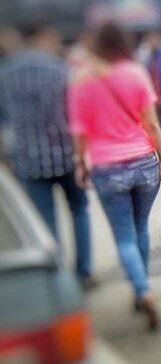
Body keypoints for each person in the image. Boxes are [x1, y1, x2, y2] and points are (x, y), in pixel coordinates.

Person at [68, 22, 161, 329]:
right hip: (144, 162)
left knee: (125, 236)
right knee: (140, 229)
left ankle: (143, 290)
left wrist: (81, 164)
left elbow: (79, 133)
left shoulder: (81, 81)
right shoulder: (135, 73)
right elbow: (152, 124)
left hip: (108, 168)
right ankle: (142, 286)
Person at [0, 23, 93, 287]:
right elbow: (77, 113)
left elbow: (4, 120)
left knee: (46, 220)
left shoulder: (5, 75)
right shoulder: (60, 70)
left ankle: (60, 280)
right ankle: (84, 272)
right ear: (43, 38)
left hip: (30, 162)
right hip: (67, 155)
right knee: (80, 211)